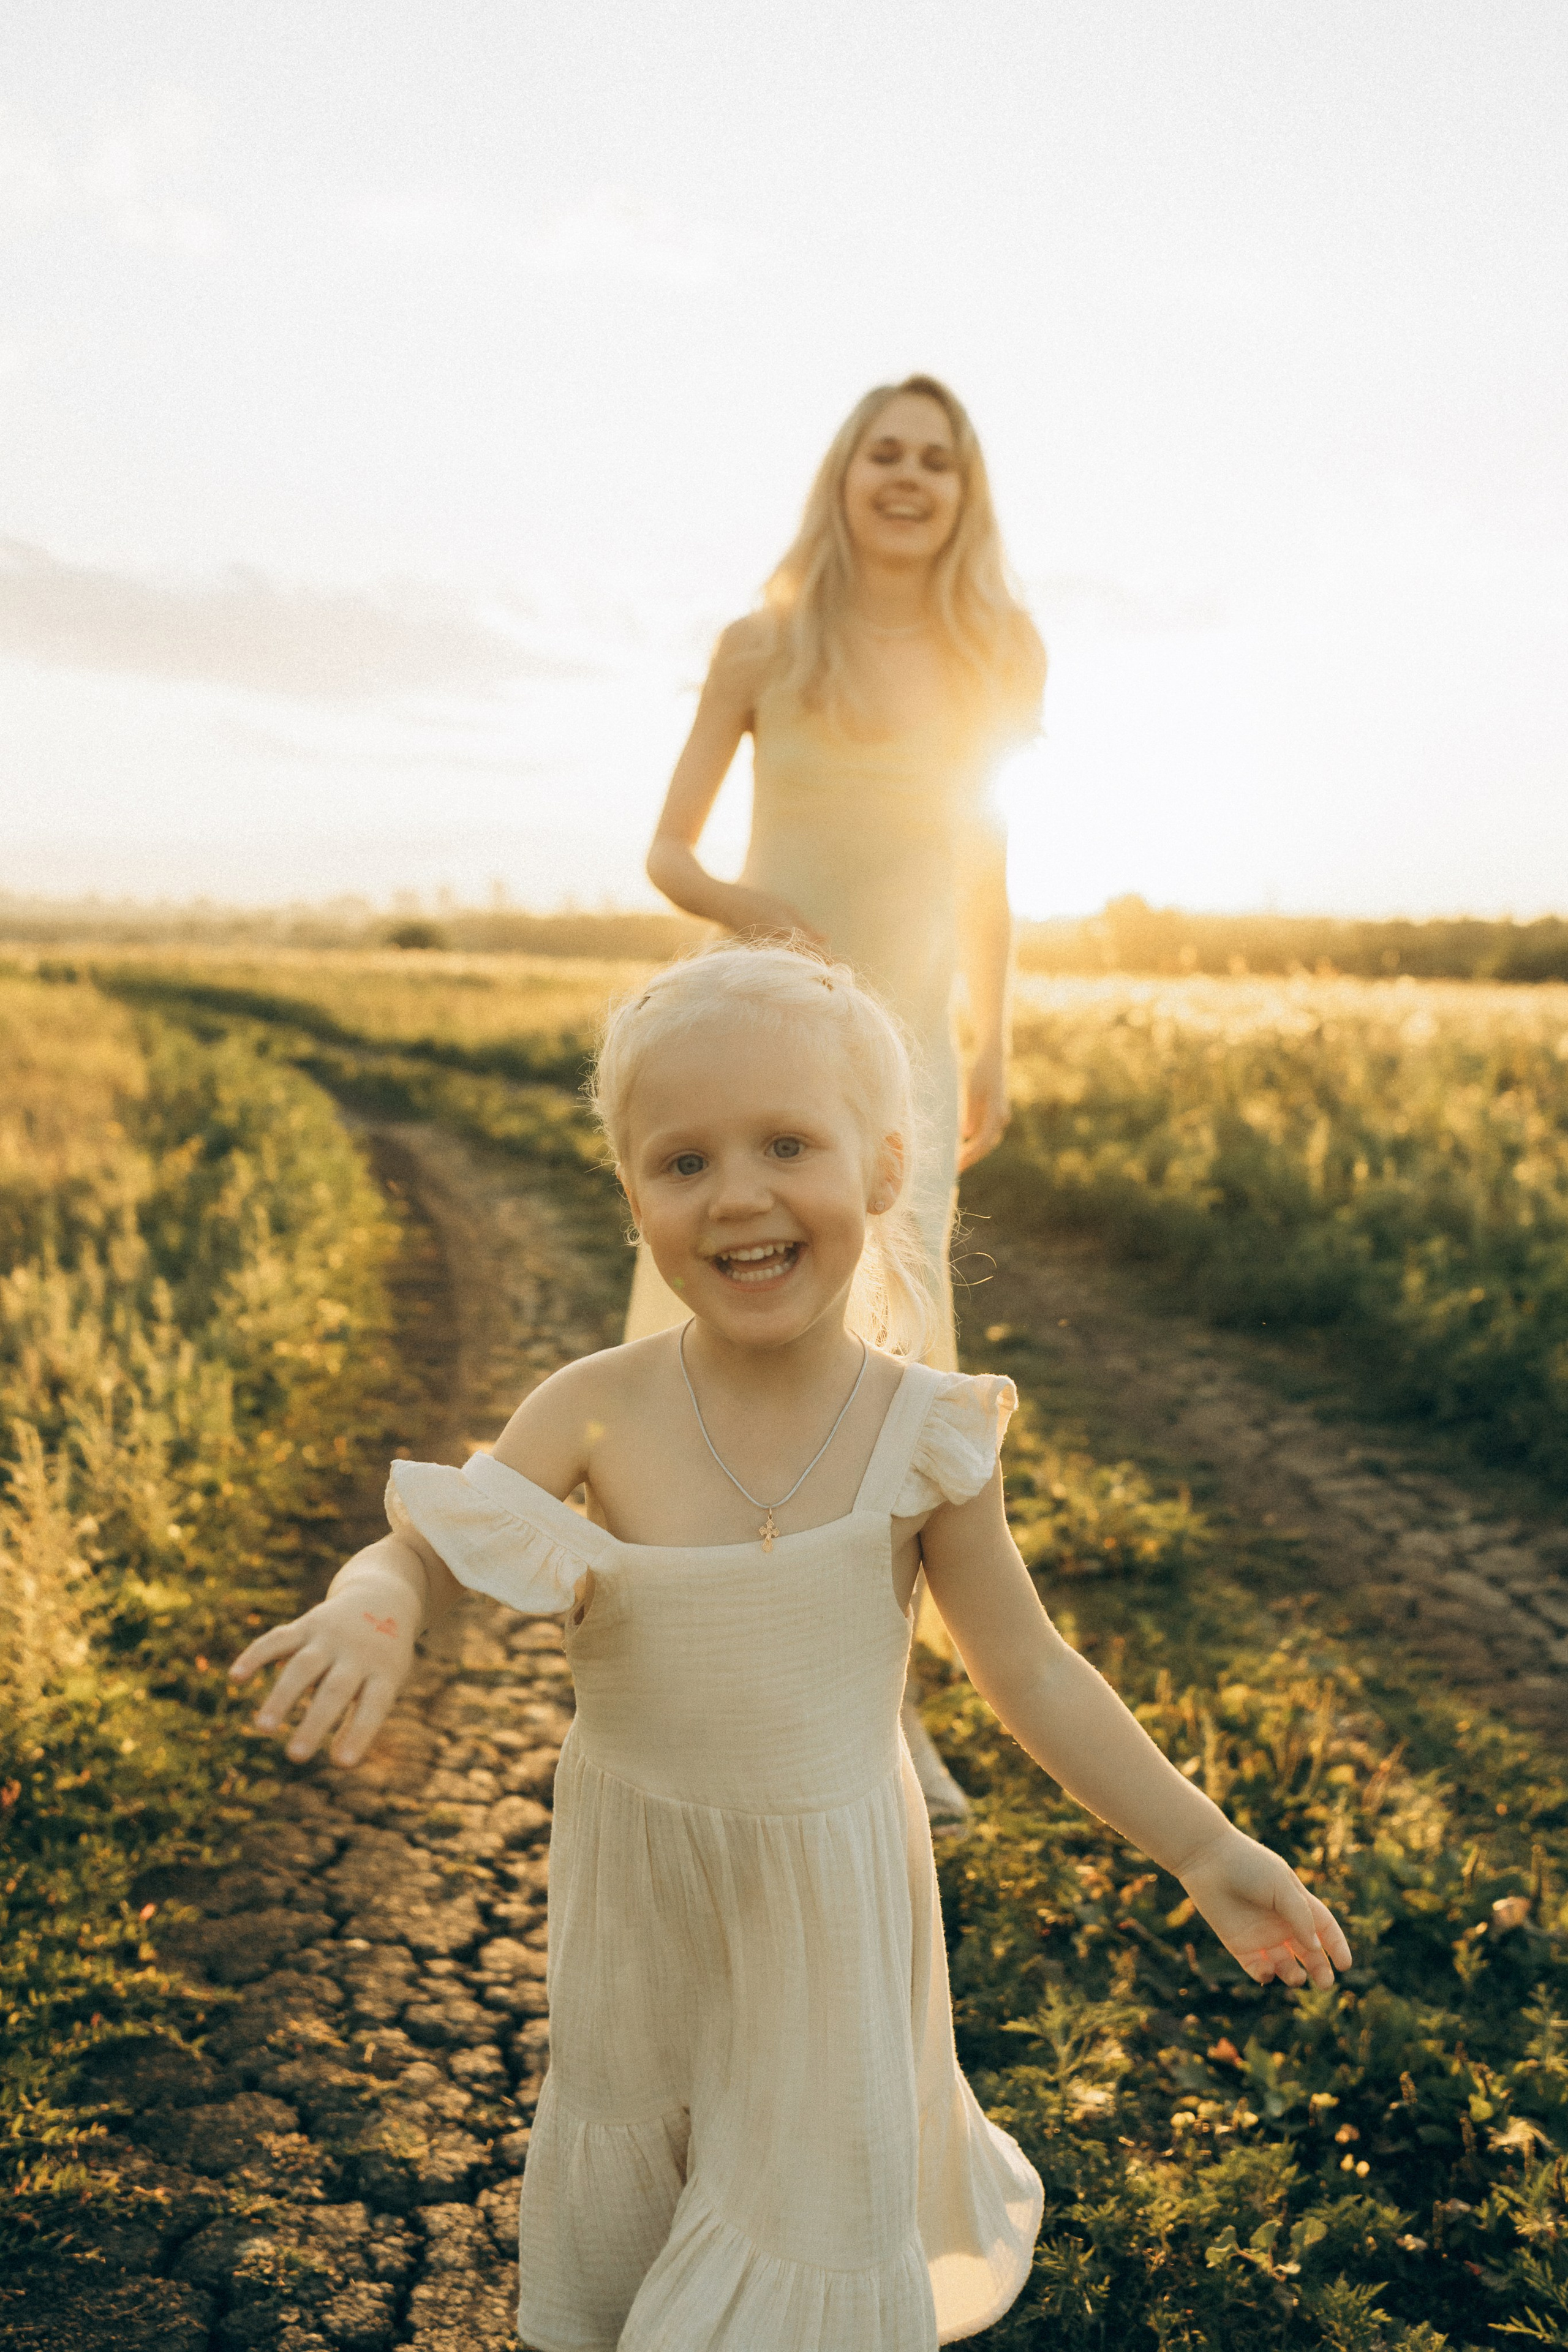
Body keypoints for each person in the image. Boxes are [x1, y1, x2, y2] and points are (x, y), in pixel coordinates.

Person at [231, 942, 1352, 2352]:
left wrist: (1202, 1848)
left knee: (796, 2228)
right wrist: (372, 1605)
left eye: (785, 1144)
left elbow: (1030, 1669)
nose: (738, 1195)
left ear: (884, 1171)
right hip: (643, 1911)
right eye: (681, 1161)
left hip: (826, 1908)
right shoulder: (596, 1408)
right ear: (632, 1194)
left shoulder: (923, 1431)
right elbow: (427, 1542)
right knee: (647, 2195)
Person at [638, 373, 1048, 1819]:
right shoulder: (761, 645)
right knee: (740, 1345)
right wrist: (770, 926)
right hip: (759, 1038)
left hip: (905, 1063)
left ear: (963, 494)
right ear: (844, 472)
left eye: (937, 461)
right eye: (885, 451)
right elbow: (668, 856)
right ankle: (702, 1664)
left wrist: (990, 1040)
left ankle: (884, 1715)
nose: (908, 477)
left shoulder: (998, 655)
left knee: (891, 1359)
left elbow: (986, 872)